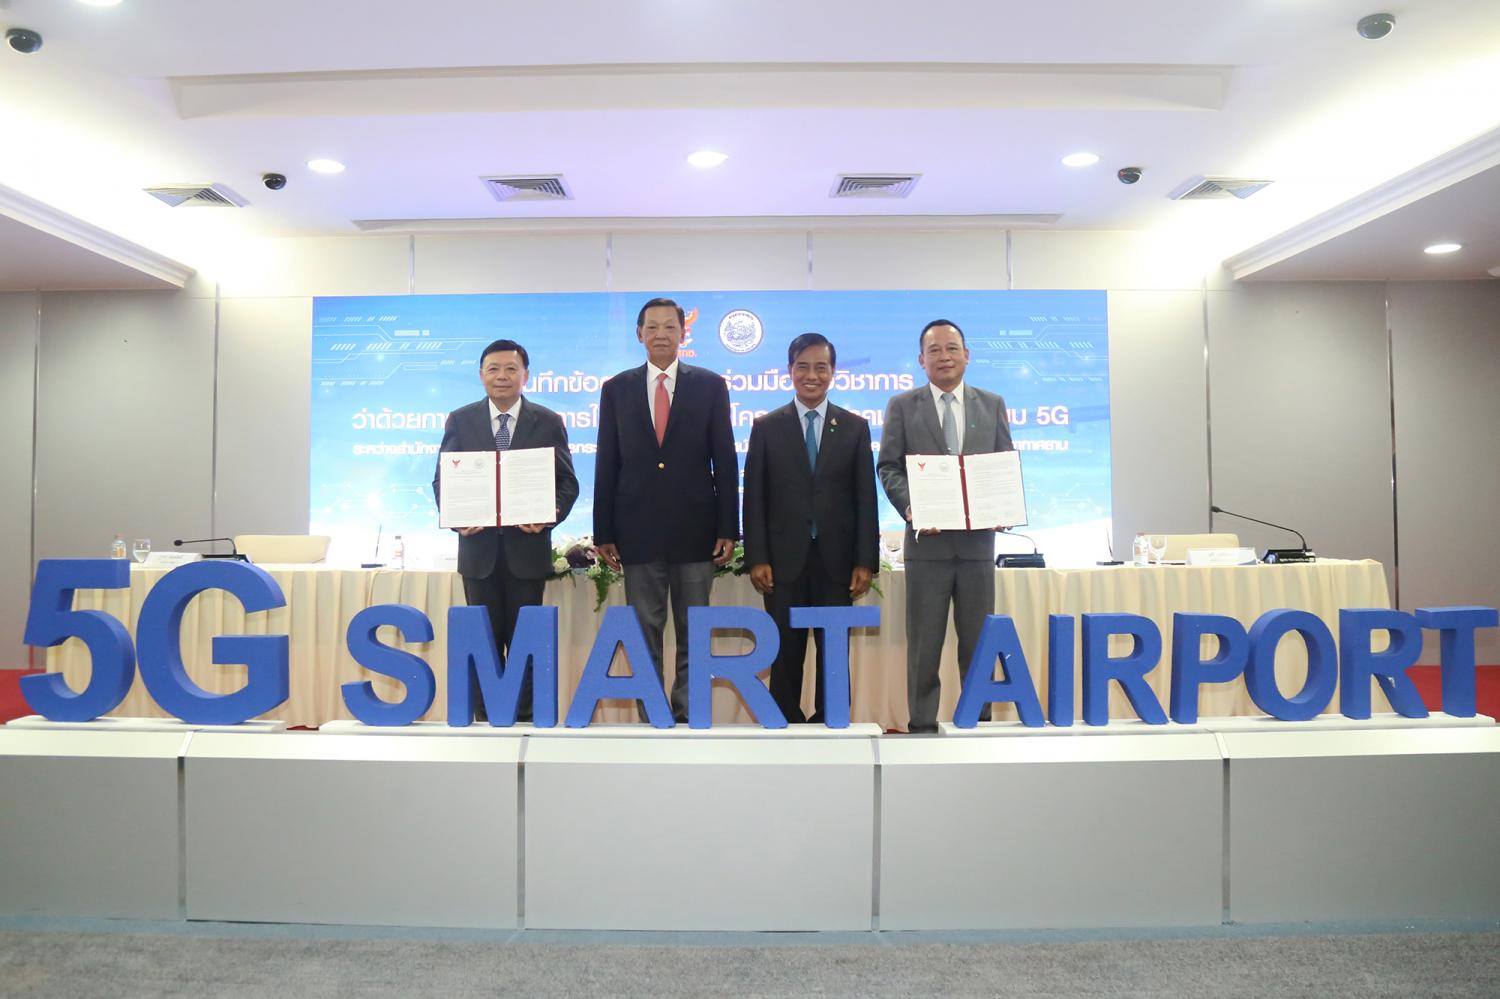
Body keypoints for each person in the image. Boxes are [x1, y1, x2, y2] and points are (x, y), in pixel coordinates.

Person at [594, 298, 738, 722]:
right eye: (652, 327)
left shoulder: (710, 386)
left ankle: (690, 714)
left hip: (696, 530)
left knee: (696, 630)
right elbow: (607, 461)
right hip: (635, 532)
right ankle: (653, 716)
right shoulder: (616, 388)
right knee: (644, 633)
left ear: (683, 334)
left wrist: (729, 525)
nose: (660, 334)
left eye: (669, 327)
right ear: (639, 334)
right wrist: (604, 531)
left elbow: (724, 460)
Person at [877, 319, 1014, 733]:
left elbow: (1002, 464)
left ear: (967, 355)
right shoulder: (903, 406)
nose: (944, 357)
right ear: (921, 360)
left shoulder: (992, 404)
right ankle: (921, 723)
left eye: (952, 348)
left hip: (976, 548)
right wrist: (912, 507)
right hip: (927, 547)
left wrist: (1003, 502)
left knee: (979, 644)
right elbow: (888, 467)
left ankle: (979, 721)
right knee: (924, 647)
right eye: (934, 350)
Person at [433, 338, 579, 722]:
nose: (502, 376)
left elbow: (567, 483)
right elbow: (442, 481)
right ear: (481, 375)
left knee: (526, 646)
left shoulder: (547, 421)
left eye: (511, 369)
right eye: (494, 369)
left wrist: (550, 514)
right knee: (481, 644)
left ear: (525, 375)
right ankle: (485, 719)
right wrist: (457, 517)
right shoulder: (460, 420)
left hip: (526, 555)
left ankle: (527, 721)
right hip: (478, 555)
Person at [743, 333, 879, 723]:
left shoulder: (854, 427)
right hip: (782, 563)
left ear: (833, 372)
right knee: (784, 651)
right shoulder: (767, 427)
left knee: (833, 651)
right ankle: (784, 723)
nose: (812, 375)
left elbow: (865, 499)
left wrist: (865, 560)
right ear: (789, 371)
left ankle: (831, 722)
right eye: (803, 367)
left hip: (837, 563)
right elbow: (754, 499)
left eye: (821, 367)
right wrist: (758, 557)